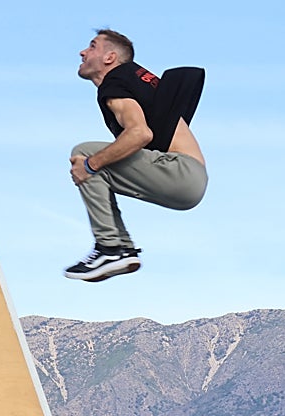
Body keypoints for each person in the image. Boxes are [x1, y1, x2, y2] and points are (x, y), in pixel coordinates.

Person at [65, 29, 208, 282]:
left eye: (92, 46)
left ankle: (110, 248)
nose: (83, 52)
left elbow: (140, 134)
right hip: (189, 178)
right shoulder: (134, 81)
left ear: (109, 57)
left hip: (179, 171)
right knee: (102, 167)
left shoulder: (116, 81)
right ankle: (121, 248)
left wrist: (89, 165)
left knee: (85, 154)